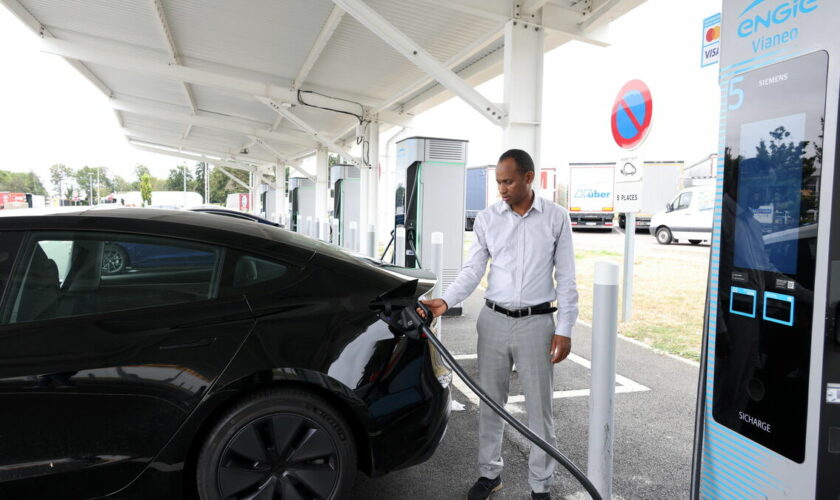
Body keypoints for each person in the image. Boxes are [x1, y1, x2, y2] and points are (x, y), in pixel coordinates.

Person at [420, 149, 578, 500]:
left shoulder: (556, 218)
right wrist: (446, 300)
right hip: (492, 321)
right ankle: (489, 475)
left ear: (528, 177)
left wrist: (565, 328)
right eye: (498, 182)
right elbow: (473, 268)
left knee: (541, 411)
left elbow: (567, 278)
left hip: (537, 323)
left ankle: (541, 487)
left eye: (508, 181)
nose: (502, 189)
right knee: (490, 404)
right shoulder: (488, 219)